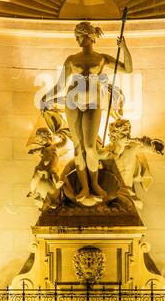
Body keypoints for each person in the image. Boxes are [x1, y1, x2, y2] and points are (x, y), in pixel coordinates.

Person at [41, 21, 133, 202]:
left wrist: (124, 48)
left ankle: (95, 183)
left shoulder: (102, 58)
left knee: (90, 147)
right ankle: (84, 187)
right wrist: (45, 97)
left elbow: (128, 69)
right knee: (78, 147)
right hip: (72, 103)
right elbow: (60, 85)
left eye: (79, 36)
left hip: (93, 104)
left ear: (89, 36)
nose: (76, 40)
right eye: (75, 36)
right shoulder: (71, 59)